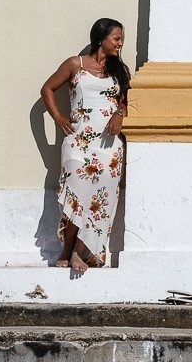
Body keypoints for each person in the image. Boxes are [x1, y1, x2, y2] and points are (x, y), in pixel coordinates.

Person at [40, 18, 130, 272]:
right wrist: (58, 118)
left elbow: (125, 100)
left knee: (101, 198)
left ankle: (79, 251)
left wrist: (119, 113)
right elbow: (47, 89)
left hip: (109, 145)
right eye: (116, 38)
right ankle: (66, 248)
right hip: (78, 140)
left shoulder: (119, 71)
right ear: (101, 38)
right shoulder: (74, 65)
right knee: (77, 193)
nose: (120, 43)